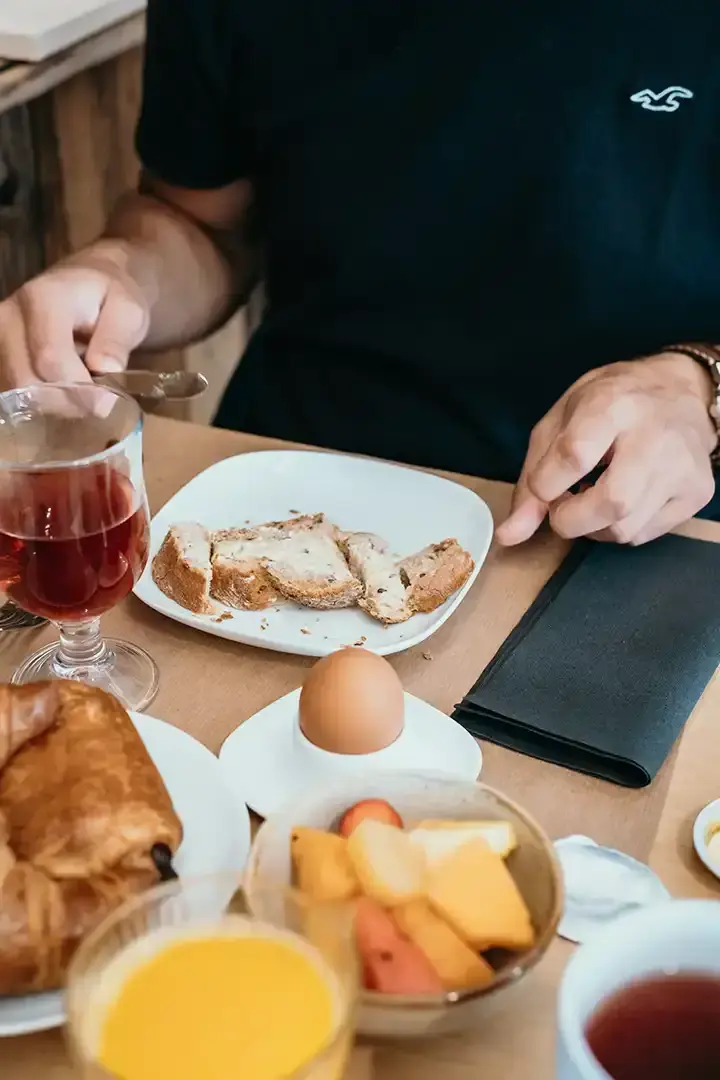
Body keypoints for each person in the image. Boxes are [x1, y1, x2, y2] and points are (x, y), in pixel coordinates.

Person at [1, 0, 719, 547]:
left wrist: (697, 385)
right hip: (292, 481)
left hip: (625, 521)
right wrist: (123, 273)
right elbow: (199, 220)